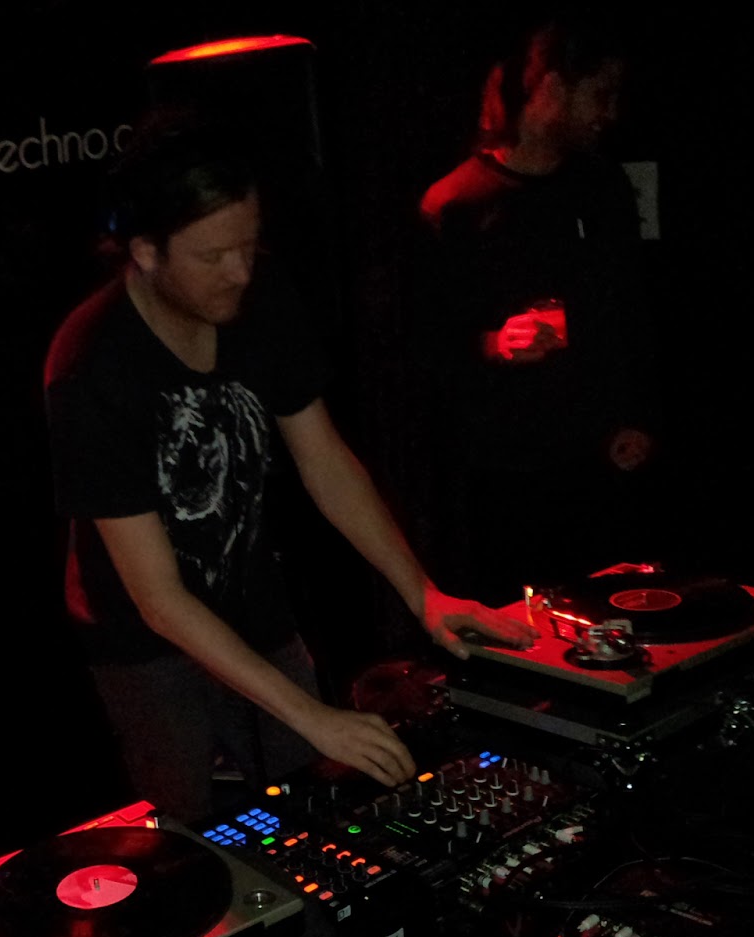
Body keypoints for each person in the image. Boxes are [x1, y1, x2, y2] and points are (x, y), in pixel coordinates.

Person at [45, 111, 532, 824]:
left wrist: (423, 594)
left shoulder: (262, 295)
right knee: (190, 831)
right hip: (140, 639)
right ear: (145, 251)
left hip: (250, 600)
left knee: (315, 800)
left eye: (248, 245)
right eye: (214, 256)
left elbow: (325, 460)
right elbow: (158, 598)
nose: (240, 272)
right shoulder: (90, 365)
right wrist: (313, 715)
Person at [410, 13, 658, 604]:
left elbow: (637, 313)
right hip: (505, 477)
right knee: (523, 630)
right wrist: (496, 343)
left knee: (615, 620)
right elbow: (423, 346)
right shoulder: (455, 204)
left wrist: (640, 417)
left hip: (602, 463)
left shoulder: (603, 188)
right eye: (600, 94)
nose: (610, 112)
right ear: (552, 88)